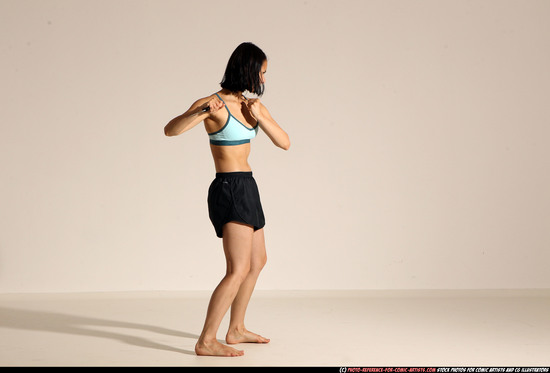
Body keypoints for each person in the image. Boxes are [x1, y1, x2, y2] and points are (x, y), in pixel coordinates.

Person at [164, 42, 290, 357]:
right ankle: (206, 340)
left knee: (258, 261)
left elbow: (284, 143)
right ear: (248, 70)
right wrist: (200, 112)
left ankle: (235, 329)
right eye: (262, 71)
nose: (263, 78)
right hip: (229, 187)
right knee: (237, 267)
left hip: (248, 186)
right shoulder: (211, 103)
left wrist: (261, 116)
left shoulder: (253, 106)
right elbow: (171, 130)